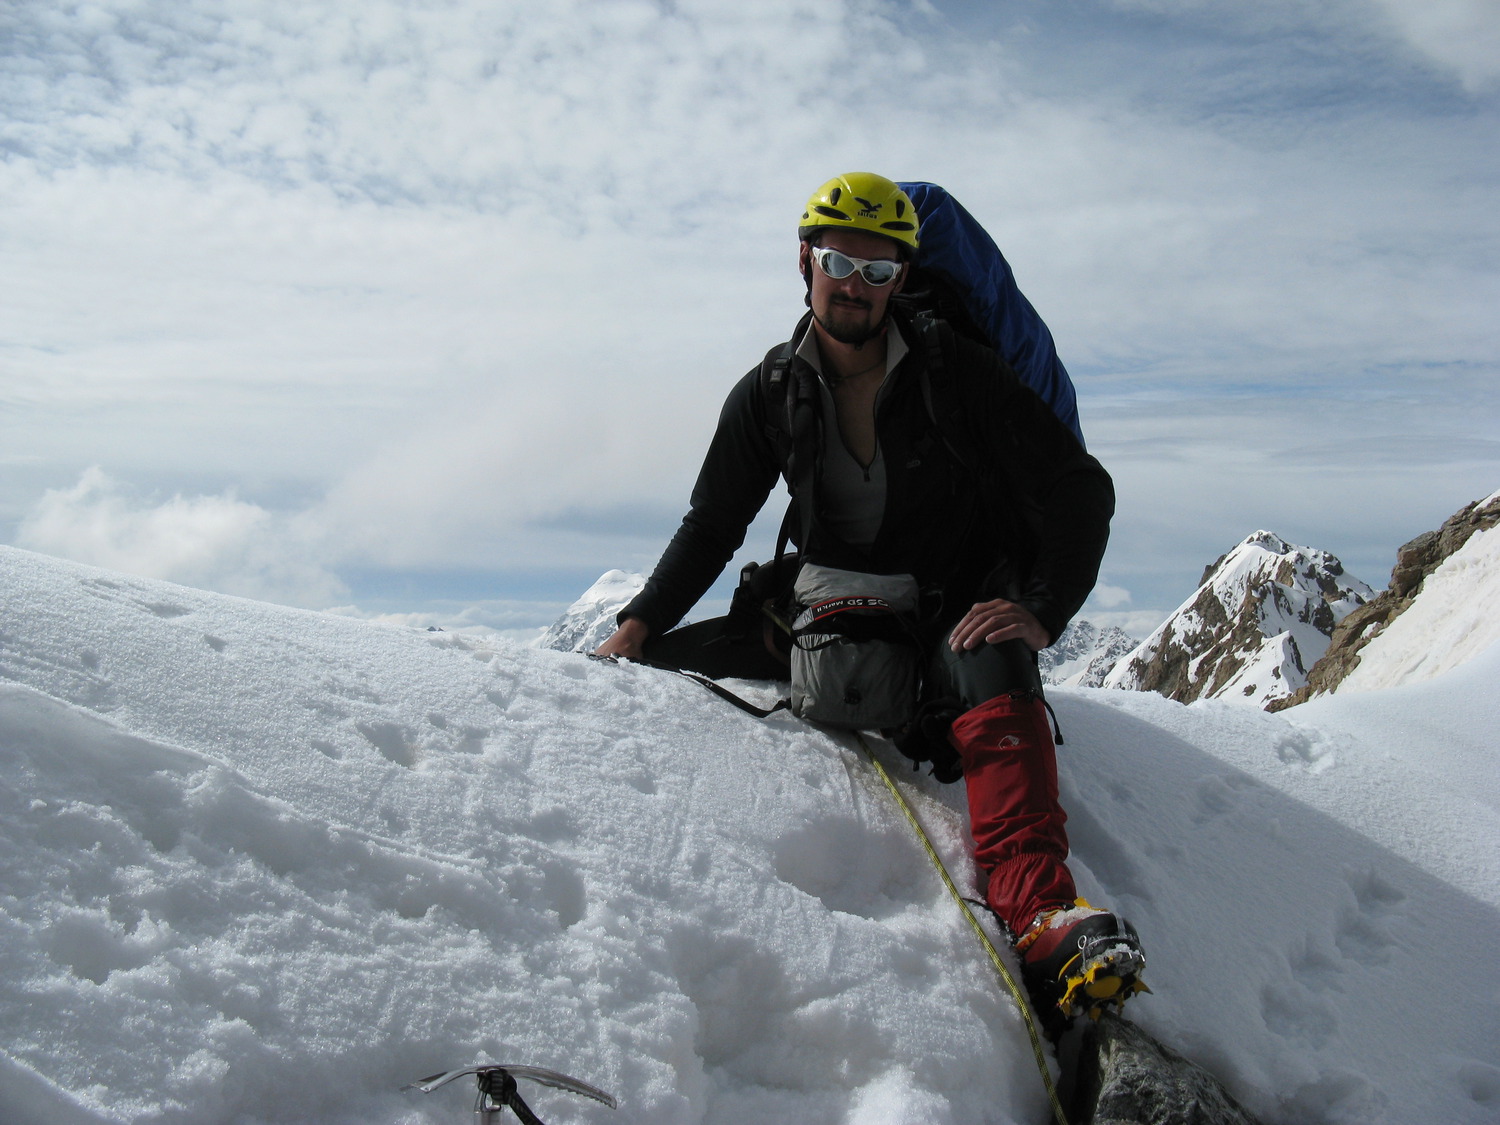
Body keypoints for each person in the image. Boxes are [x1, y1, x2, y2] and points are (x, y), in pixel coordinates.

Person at [596, 172, 1144, 1027]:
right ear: (806, 260)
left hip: (940, 622)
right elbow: (712, 525)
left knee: (991, 657)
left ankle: (1040, 912)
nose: (856, 284)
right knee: (650, 673)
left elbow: (1077, 491)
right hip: (819, 620)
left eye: (880, 269)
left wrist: (1039, 607)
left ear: (902, 279)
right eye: (841, 261)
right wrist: (638, 626)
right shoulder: (770, 392)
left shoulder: (954, 373)